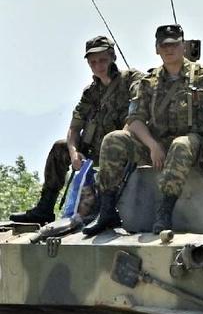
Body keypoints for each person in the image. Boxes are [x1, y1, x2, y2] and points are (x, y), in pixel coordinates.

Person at [84, 24, 203, 236]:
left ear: (183, 46)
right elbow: (135, 119)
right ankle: (107, 209)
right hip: (157, 144)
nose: (169, 49)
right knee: (114, 139)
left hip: (195, 144)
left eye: (175, 44)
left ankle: (164, 211)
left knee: (181, 144)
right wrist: (151, 145)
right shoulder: (148, 82)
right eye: (164, 45)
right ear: (157, 49)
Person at [10, 36, 143, 224]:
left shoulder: (131, 80)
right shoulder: (91, 92)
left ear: (112, 57)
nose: (98, 65)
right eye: (93, 62)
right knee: (60, 148)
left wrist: (119, 140)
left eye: (103, 60)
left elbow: (137, 114)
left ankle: (106, 210)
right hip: (95, 151)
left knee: (115, 141)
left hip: (123, 151)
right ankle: (45, 208)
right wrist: (73, 153)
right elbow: (74, 128)